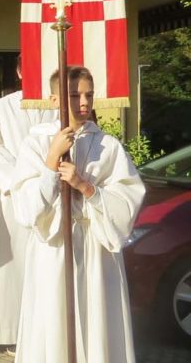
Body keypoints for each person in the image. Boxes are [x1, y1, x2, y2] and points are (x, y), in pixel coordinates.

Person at [12, 66, 145, 363]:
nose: (84, 102)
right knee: (54, 321)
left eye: (89, 95)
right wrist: (51, 160)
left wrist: (85, 186)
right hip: (54, 249)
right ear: (53, 100)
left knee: (96, 321)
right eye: (74, 95)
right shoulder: (36, 143)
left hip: (96, 250)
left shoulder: (108, 146)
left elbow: (127, 200)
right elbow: (25, 208)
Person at [0, 59, 58, 347]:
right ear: (19, 72)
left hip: (50, 196)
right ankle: (11, 332)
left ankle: (47, 331)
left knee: (46, 263)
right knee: (13, 265)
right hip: (13, 196)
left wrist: (44, 181)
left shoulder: (57, 107)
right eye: (28, 68)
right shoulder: (2, 107)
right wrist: (22, 182)